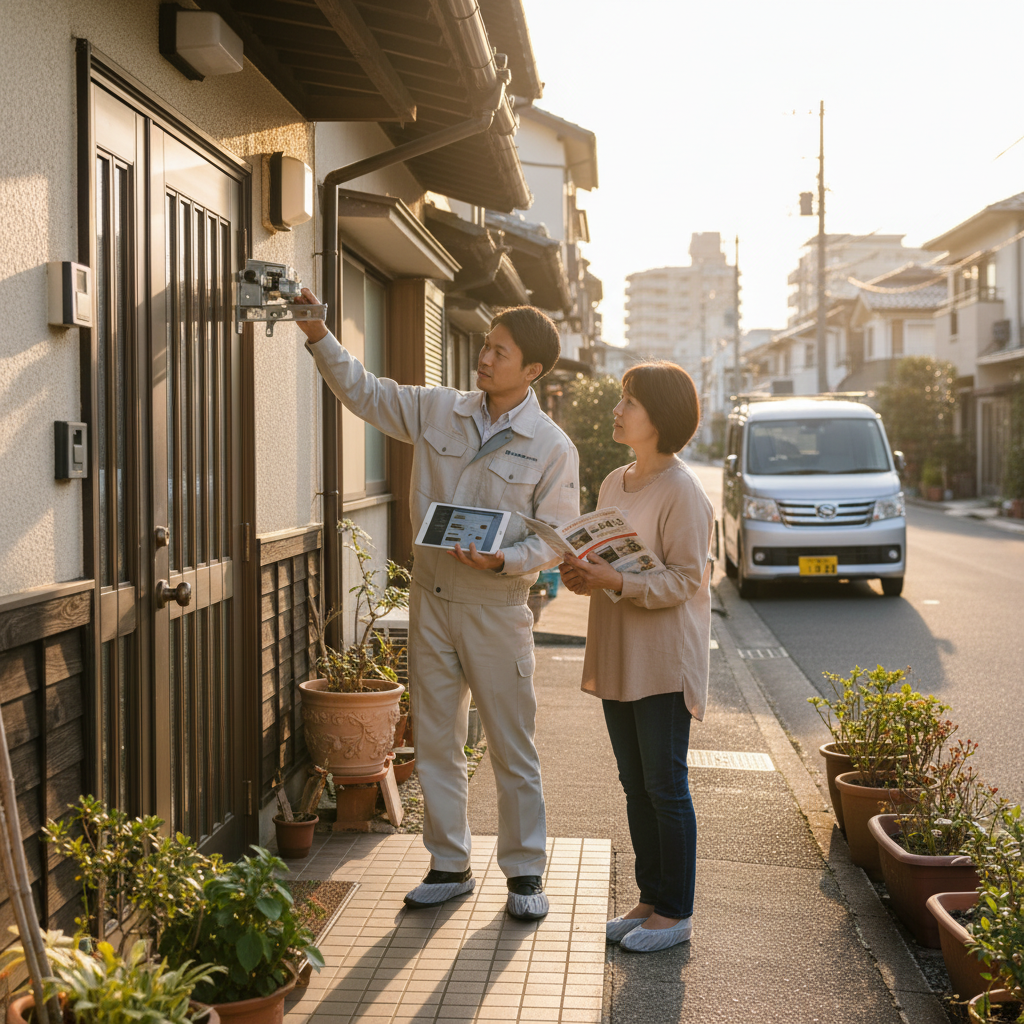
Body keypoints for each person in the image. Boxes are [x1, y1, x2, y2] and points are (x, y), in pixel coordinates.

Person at [296, 290, 579, 920]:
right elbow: (365, 392)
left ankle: (525, 873)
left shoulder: (551, 445)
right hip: (431, 599)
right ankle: (449, 864)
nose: (483, 357)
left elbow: (556, 538)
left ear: (531, 370)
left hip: (497, 606)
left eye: (498, 351)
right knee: (436, 739)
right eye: (484, 345)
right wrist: (320, 335)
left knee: (511, 743)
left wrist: (504, 560)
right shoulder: (439, 409)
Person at [559, 361, 713, 952]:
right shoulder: (613, 482)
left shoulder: (683, 491)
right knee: (634, 783)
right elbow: (604, 565)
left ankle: (676, 914)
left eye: (630, 402)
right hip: (621, 650)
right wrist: (583, 577)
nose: (617, 410)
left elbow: (684, 582)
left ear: (661, 418)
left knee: (665, 785)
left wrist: (617, 582)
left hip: (663, 658)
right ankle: (650, 899)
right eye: (622, 399)